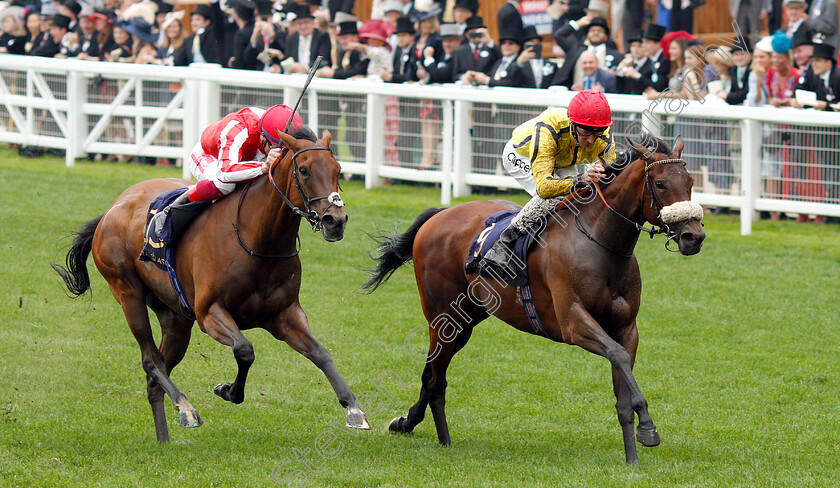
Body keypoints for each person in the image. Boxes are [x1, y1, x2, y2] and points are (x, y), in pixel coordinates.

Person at [481, 90, 615, 270]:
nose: (590, 139)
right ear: (572, 123)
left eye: (597, 133)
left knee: (578, 199)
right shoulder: (549, 127)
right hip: (522, 155)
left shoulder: (603, 133)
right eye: (585, 132)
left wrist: (601, 171)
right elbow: (545, 188)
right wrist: (581, 180)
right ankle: (504, 244)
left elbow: (613, 173)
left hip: (562, 159)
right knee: (552, 199)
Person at [149, 104, 305, 235]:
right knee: (224, 185)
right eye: (279, 149)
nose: (282, 155)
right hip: (210, 156)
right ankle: (171, 209)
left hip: (246, 156)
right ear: (263, 137)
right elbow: (226, 172)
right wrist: (264, 166)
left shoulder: (274, 129)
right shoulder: (239, 128)